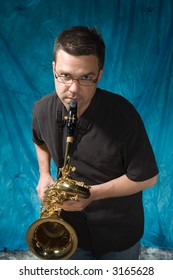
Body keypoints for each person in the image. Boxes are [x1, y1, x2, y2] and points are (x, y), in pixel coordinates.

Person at [32, 26, 158, 260]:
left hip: (118, 236)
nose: (73, 90)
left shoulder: (124, 115)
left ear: (99, 75)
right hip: (69, 231)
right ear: (54, 70)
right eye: (66, 76)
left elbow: (148, 176)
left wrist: (93, 194)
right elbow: (40, 139)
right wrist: (43, 174)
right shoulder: (42, 109)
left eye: (86, 78)